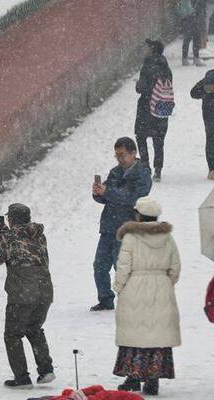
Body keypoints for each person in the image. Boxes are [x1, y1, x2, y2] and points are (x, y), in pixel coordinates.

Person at [112, 197, 181, 396]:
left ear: (139, 215)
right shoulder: (168, 238)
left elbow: (124, 266)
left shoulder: (131, 237)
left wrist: (118, 286)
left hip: (135, 286)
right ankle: (153, 379)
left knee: (135, 333)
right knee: (157, 335)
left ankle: (133, 376)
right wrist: (165, 283)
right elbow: (175, 267)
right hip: (161, 286)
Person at [0, 203, 55, 390]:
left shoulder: (8, 237)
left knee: (12, 334)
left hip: (21, 293)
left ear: (11, 219)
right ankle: (46, 369)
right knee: (34, 328)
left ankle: (22, 378)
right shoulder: (39, 235)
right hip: (44, 292)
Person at [91, 137, 152, 312]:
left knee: (122, 265)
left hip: (128, 227)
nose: (119, 159)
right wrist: (98, 193)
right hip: (109, 225)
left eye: (122, 155)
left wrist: (109, 192)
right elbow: (107, 196)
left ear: (133, 153)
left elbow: (134, 198)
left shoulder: (142, 174)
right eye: (117, 155)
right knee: (100, 265)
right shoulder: (115, 172)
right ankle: (105, 299)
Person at [135, 39, 173, 182]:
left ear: (152, 50)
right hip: (162, 107)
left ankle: (146, 167)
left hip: (146, 107)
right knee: (158, 140)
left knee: (141, 136)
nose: (144, 49)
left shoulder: (147, 65)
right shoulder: (166, 66)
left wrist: (138, 85)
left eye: (147, 47)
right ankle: (158, 169)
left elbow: (141, 88)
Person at [190, 69, 214, 180]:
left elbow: (194, 93)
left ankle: (212, 170)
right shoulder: (209, 77)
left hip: (209, 114)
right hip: (209, 115)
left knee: (210, 140)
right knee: (211, 140)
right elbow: (193, 93)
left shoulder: (207, 77)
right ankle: (212, 169)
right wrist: (206, 89)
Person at [179, 0, 207, 66]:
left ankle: (194, 58)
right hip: (190, 19)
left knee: (195, 39)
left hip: (194, 19)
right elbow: (184, 9)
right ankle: (187, 59)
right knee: (188, 40)